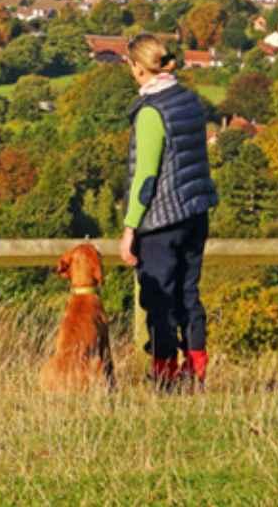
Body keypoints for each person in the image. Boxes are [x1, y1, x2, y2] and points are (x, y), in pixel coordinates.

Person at [116, 34, 218, 388]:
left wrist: (130, 228)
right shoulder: (189, 99)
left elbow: (146, 177)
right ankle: (196, 371)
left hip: (161, 221)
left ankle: (164, 376)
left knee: (159, 299)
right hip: (195, 213)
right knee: (188, 293)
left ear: (137, 67)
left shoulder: (151, 112)